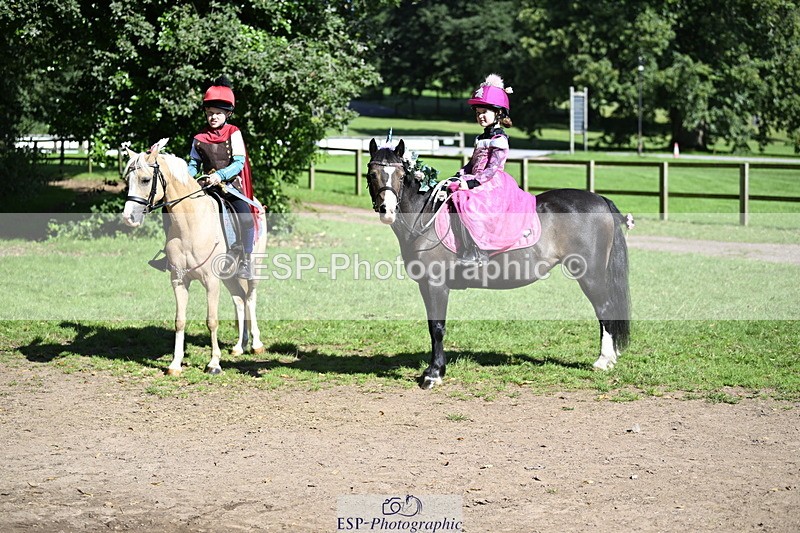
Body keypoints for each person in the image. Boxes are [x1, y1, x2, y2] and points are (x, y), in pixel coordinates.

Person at [149, 76, 258, 279]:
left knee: (245, 216)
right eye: (209, 113)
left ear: (228, 113)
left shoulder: (234, 133)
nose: (213, 117)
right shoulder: (199, 138)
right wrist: (185, 180)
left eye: (218, 113)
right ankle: (168, 252)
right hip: (205, 185)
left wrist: (220, 175)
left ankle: (245, 260)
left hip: (230, 185)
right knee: (168, 208)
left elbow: (238, 163)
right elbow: (193, 166)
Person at [446, 74, 532, 267]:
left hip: (492, 183)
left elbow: (492, 169)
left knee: (466, 202)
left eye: (485, 112)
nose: (480, 116)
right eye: (478, 113)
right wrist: (460, 174)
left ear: (499, 114)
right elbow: (472, 163)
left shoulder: (500, 139)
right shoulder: (480, 138)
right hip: (475, 178)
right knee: (449, 193)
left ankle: (477, 251)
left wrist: (471, 182)